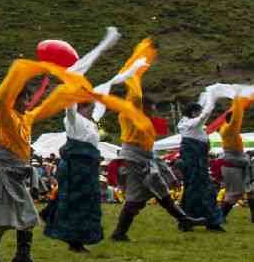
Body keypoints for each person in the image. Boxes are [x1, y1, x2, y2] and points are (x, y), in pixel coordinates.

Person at [0, 54, 110, 262]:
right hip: (0, 175)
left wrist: (68, 88)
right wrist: (19, 72)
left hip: (14, 175)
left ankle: (4, 254)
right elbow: (0, 99)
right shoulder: (2, 114)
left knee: (22, 217)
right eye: (23, 99)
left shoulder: (26, 118)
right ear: (14, 99)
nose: (28, 103)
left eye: (29, 99)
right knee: (8, 218)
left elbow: (48, 107)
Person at [102, 40, 200, 241]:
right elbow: (135, 92)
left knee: (158, 189)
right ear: (144, 106)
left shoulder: (142, 119)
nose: (154, 111)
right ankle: (119, 233)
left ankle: (183, 219)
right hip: (134, 156)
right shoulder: (131, 112)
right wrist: (137, 66)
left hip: (144, 157)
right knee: (137, 197)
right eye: (152, 107)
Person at [40, 29, 125, 253]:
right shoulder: (73, 120)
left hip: (87, 168)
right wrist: (100, 47)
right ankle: (74, 239)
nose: (91, 107)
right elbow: (69, 101)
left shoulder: (92, 122)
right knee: (75, 201)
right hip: (76, 168)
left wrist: (124, 72)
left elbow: (104, 96)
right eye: (87, 104)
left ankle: (59, 220)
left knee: (86, 201)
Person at [198, 84, 252, 223]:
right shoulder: (230, 129)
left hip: (236, 162)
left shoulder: (228, 129)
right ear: (232, 120)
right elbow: (237, 115)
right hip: (232, 163)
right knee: (234, 194)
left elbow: (236, 116)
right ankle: (218, 217)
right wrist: (237, 98)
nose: (239, 121)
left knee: (250, 191)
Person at [176, 94, 227, 232]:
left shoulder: (188, 125)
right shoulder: (189, 124)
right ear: (193, 113)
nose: (200, 115)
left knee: (193, 190)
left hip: (196, 163)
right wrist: (210, 104)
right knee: (202, 191)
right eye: (197, 112)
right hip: (195, 164)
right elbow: (202, 118)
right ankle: (210, 222)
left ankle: (187, 220)